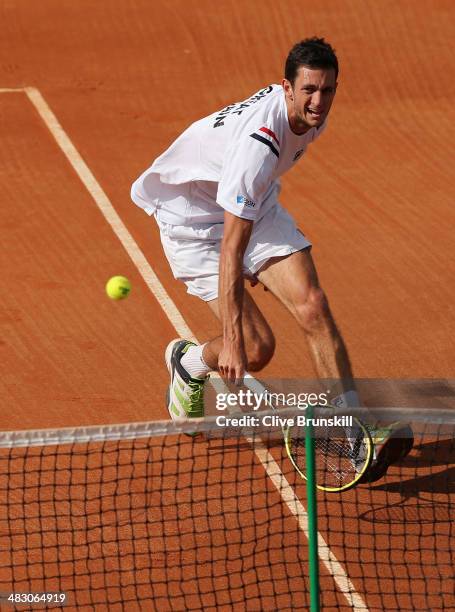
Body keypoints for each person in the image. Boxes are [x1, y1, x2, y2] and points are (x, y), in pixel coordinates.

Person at [131, 37, 413, 482]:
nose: (319, 101)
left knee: (313, 305)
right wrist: (233, 338)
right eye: (309, 91)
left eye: (328, 90)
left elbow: (246, 215)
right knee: (257, 349)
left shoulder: (308, 117)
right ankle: (189, 364)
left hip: (250, 204)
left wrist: (262, 264)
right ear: (286, 87)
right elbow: (230, 247)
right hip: (195, 226)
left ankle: (354, 429)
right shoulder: (260, 144)